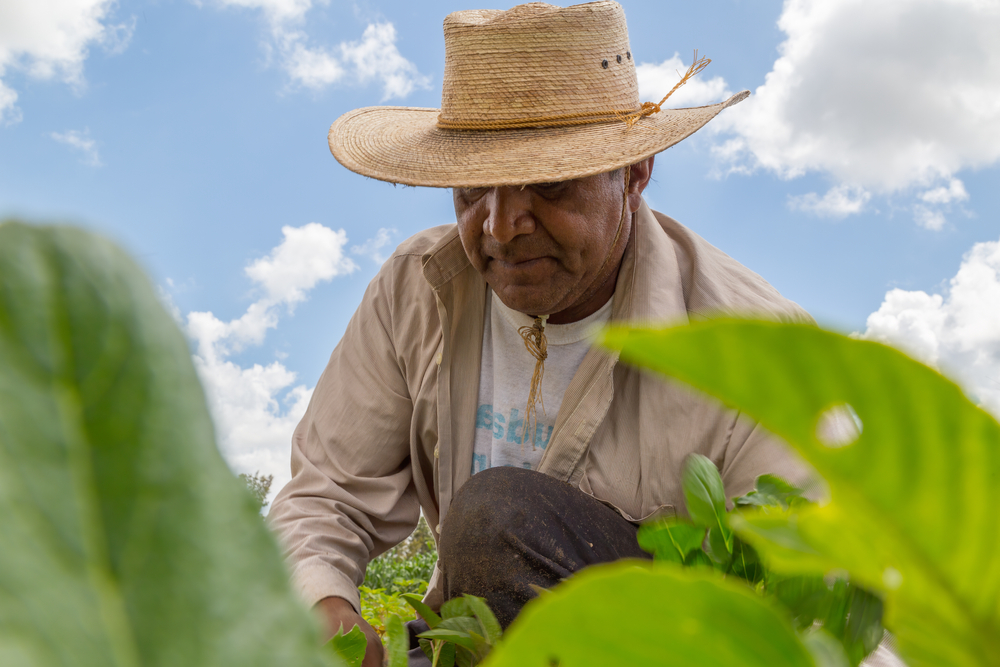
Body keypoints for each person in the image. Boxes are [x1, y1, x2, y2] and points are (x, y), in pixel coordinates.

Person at [268, 2, 813, 665]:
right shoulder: (417, 289)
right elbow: (326, 494)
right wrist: (323, 607)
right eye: (472, 191)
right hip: (475, 642)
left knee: (501, 515)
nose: (500, 226)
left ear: (635, 175)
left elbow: (829, 596)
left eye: (548, 185)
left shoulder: (755, 347)